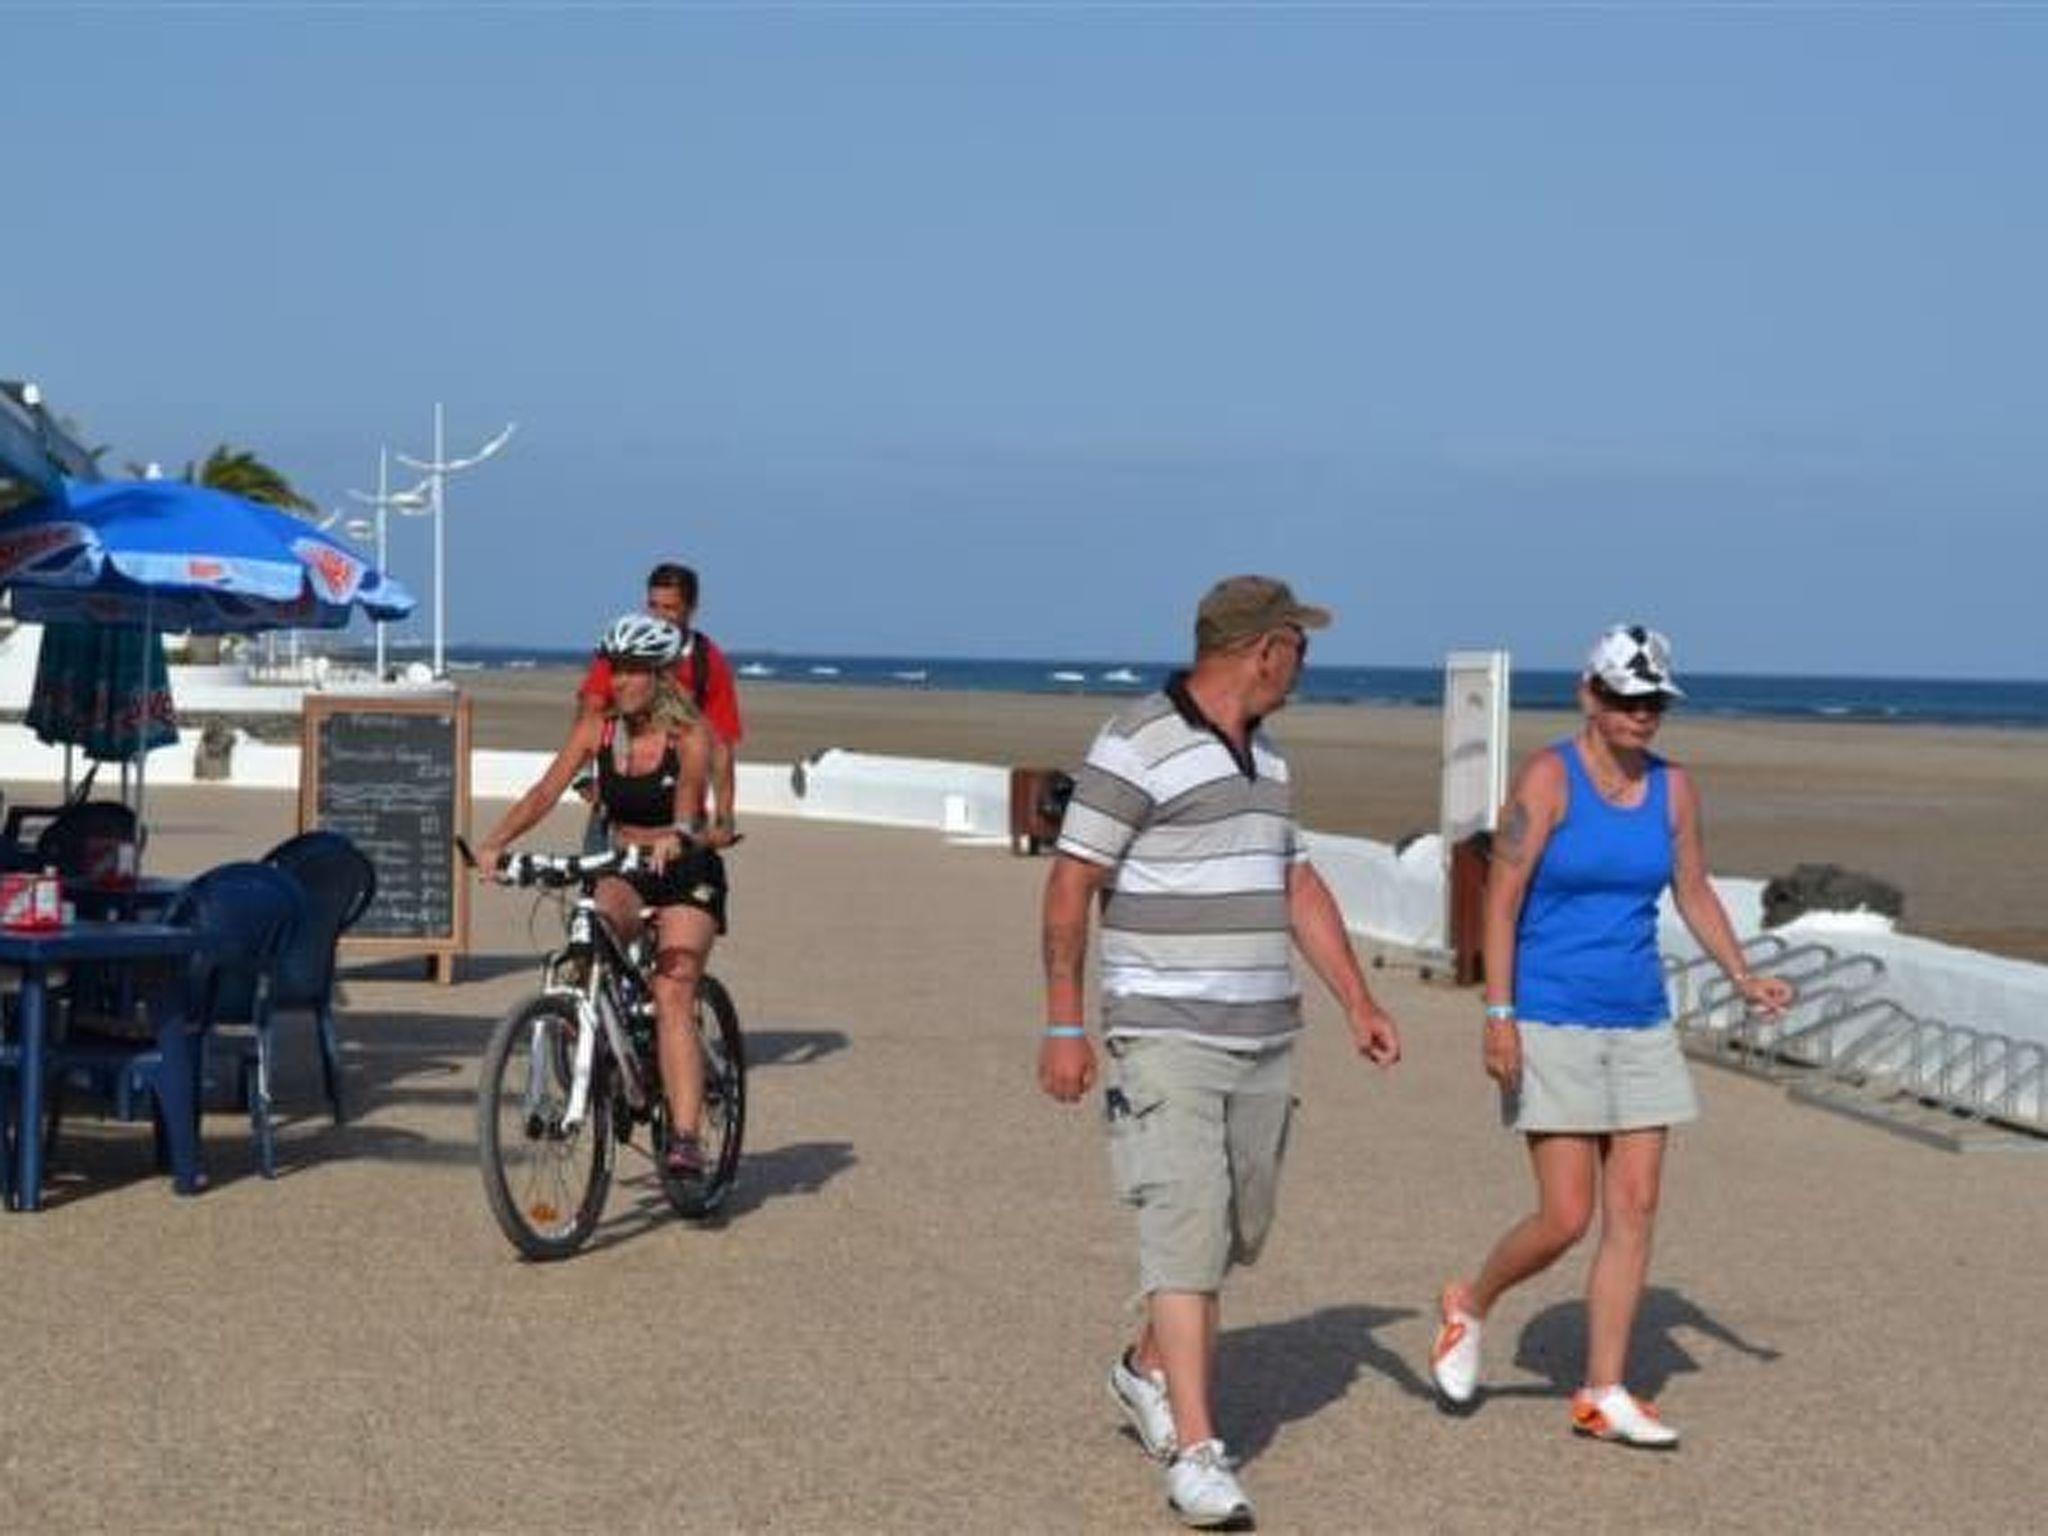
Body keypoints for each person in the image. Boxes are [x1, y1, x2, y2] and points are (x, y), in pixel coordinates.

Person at [1040, 576, 1401, 1529]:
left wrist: (1358, 1000)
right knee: (1184, 1233)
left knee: (1236, 1230)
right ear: (1263, 648)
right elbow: (1072, 883)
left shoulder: (1269, 759)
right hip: (1164, 1035)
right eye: (1300, 646)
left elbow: (1296, 884)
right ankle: (1197, 1453)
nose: (1305, 665)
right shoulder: (1135, 741)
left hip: (1264, 1037)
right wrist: (1066, 1024)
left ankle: (1143, 1369)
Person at [1427, 624, 1795, 1446]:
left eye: (1655, 699)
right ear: (1589, 695)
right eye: (1627, 698)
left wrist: (1742, 974)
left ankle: (1603, 1391)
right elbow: (1501, 900)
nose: (1642, 713)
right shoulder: (1548, 778)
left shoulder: (1675, 789)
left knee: (1636, 1206)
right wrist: (1498, 1015)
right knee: (1565, 1215)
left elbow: (1693, 890)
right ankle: (1470, 1304)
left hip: (1639, 1019)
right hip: (1550, 1014)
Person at [480, 613, 733, 1180]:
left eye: (633, 670)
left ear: (660, 675)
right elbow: (545, 791)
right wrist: (495, 844)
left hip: (685, 870)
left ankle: (686, 1137)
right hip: (624, 867)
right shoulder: (597, 730)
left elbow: (689, 809)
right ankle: (607, 1055)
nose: (620, 680)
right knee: (587, 940)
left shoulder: (688, 735)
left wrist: (675, 837)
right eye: (615, 669)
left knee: (672, 991)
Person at [576, 562, 744, 841]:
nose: (659, 617)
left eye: (670, 608)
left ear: (691, 608)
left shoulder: (708, 661)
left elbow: (721, 745)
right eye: (653, 606)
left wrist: (725, 817)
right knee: (602, 867)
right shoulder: (627, 646)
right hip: (618, 804)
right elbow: (591, 707)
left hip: (681, 811)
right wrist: (582, 774)